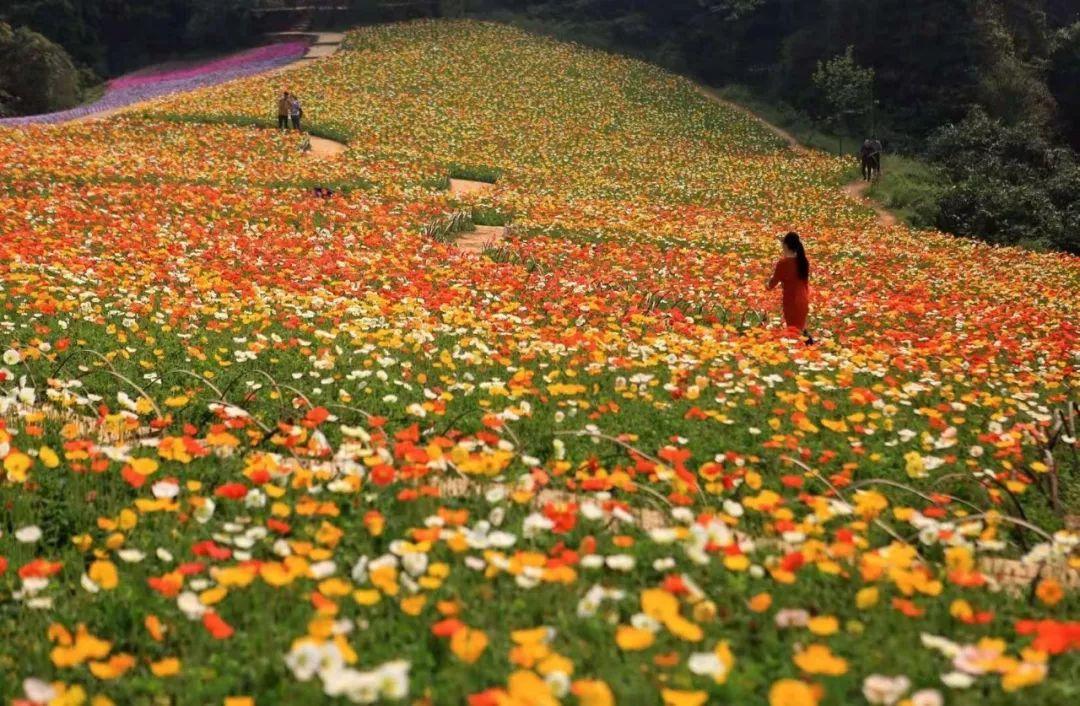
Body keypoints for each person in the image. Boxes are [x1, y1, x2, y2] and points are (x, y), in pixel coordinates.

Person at [766, 231, 813, 344]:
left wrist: (766, 286)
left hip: (791, 301)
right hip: (803, 299)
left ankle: (801, 353)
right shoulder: (803, 261)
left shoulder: (783, 263)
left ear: (786, 245)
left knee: (793, 332)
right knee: (800, 328)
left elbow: (773, 283)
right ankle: (809, 346)